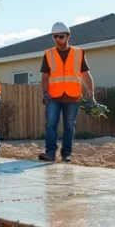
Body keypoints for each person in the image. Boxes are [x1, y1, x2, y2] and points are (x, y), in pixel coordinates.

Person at [38, 22, 94, 163]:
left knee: (69, 126)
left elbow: (86, 75)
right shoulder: (48, 54)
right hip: (54, 97)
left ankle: (66, 154)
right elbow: (45, 78)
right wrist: (45, 93)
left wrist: (91, 93)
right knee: (51, 123)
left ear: (68, 36)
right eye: (54, 36)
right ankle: (50, 153)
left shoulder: (78, 53)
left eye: (60, 36)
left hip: (73, 97)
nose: (57, 39)